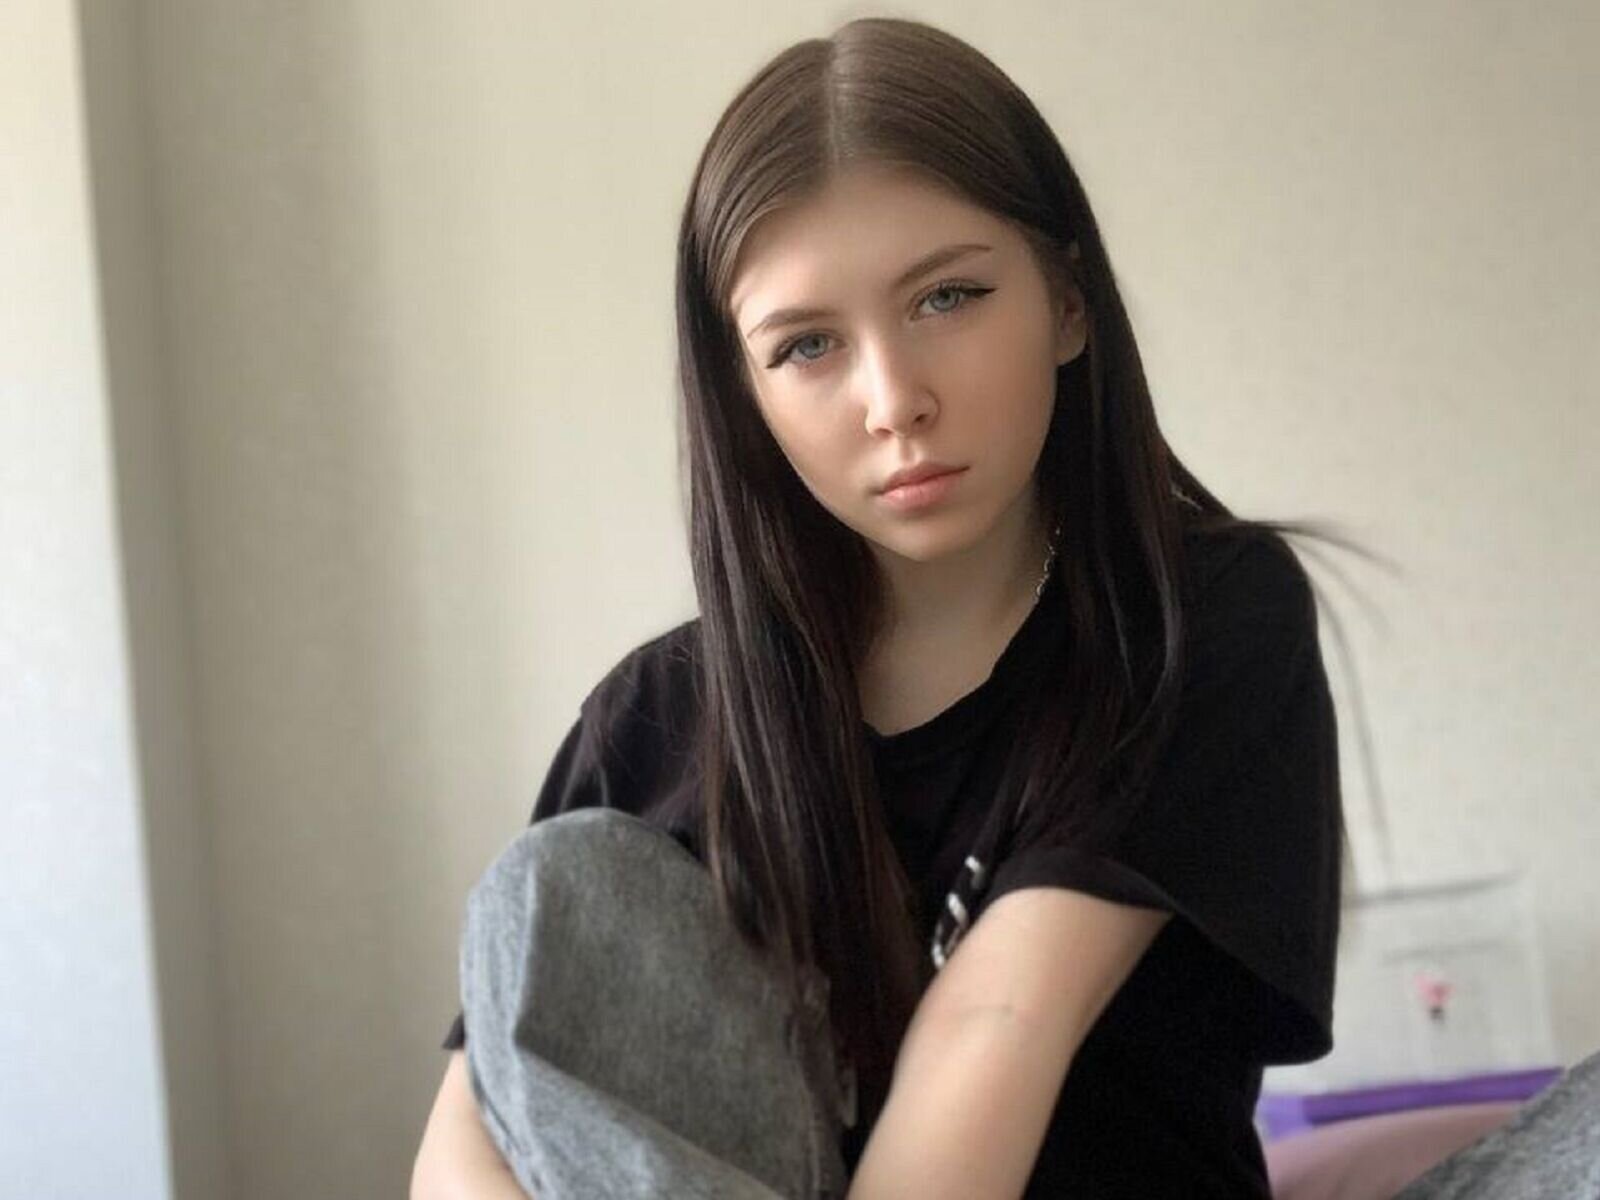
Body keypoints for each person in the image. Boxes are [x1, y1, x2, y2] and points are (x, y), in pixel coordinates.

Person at [413, 15, 1362, 1198]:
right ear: (744, 393)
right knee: (559, 880)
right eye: (807, 345)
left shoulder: (1192, 619)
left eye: (947, 297)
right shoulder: (654, 720)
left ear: (1068, 303)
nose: (892, 399)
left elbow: (1001, 1017)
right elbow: (476, 1135)